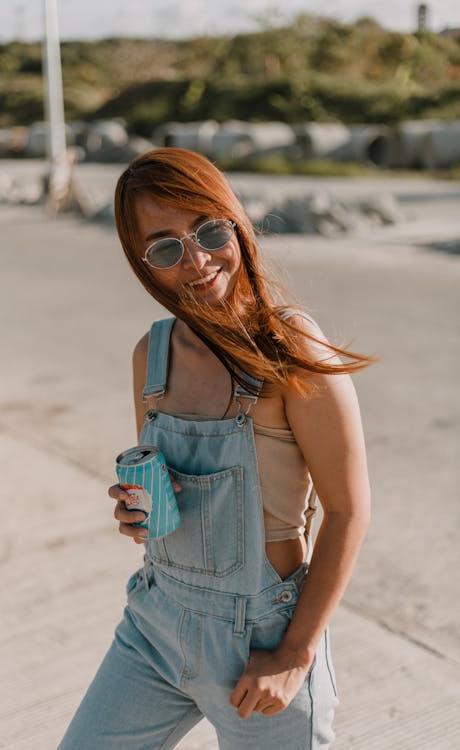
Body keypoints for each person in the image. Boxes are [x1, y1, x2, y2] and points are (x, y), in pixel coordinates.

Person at [58, 148, 372, 749]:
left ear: (236, 222)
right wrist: (135, 515)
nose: (197, 259)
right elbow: (161, 505)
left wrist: (294, 655)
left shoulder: (290, 347)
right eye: (166, 246)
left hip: (260, 640)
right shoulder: (149, 359)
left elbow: (349, 510)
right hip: (154, 625)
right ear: (144, 263)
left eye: (208, 229)